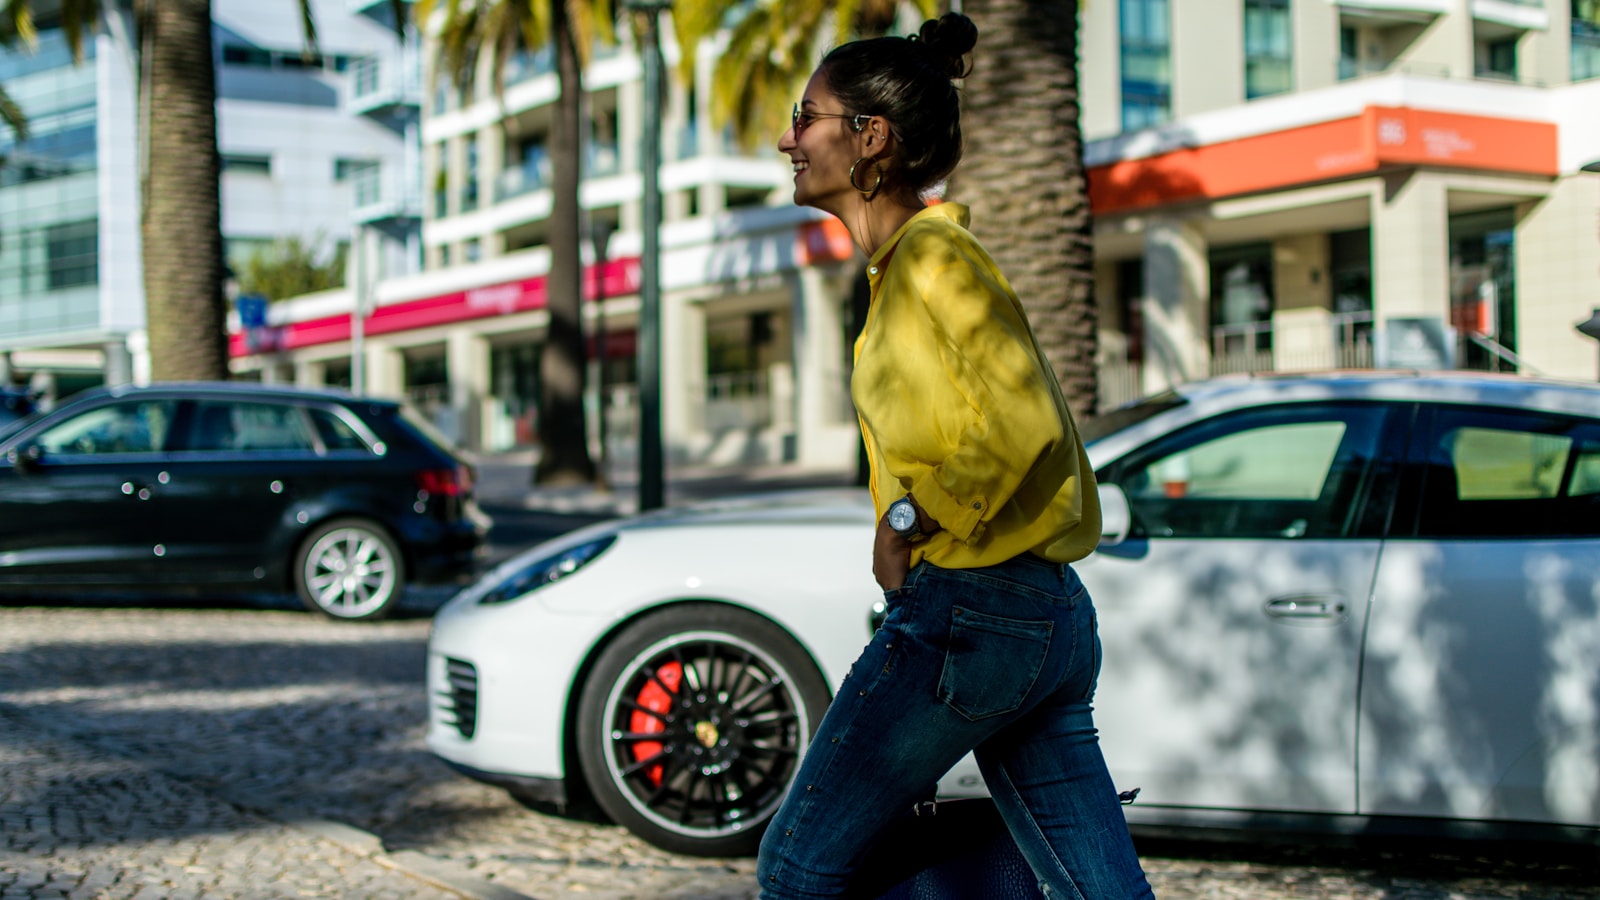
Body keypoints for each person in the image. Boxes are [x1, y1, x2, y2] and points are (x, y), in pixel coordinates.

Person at [756, 13, 1155, 900]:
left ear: (871, 139)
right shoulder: (906, 268)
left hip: (972, 613)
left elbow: (1023, 422)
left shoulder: (934, 258)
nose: (787, 138)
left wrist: (906, 520)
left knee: (797, 869)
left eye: (804, 115)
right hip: (1037, 613)